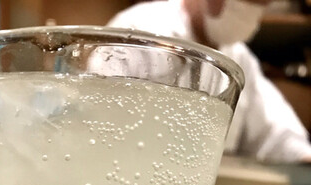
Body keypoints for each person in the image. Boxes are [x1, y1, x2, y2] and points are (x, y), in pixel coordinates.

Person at [107, 0, 311, 164]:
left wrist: (303, 156)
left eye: (259, 5)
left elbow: (276, 132)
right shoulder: (136, 30)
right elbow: (104, 127)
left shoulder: (239, 58)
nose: (248, 10)